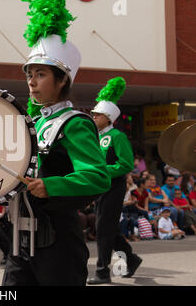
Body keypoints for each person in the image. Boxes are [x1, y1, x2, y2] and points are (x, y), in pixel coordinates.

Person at [2, 0, 111, 286]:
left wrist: (51, 185)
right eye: (29, 74)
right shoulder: (32, 123)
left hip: (58, 244)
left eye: (41, 75)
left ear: (63, 80)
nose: (32, 83)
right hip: (20, 240)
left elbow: (97, 177)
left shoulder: (75, 123)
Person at [87, 77, 142, 284]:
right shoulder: (96, 137)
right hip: (99, 186)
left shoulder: (117, 136)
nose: (93, 117)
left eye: (97, 114)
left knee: (103, 228)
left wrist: (102, 171)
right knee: (108, 227)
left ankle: (102, 271)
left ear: (108, 117)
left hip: (113, 186)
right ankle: (132, 259)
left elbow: (126, 164)